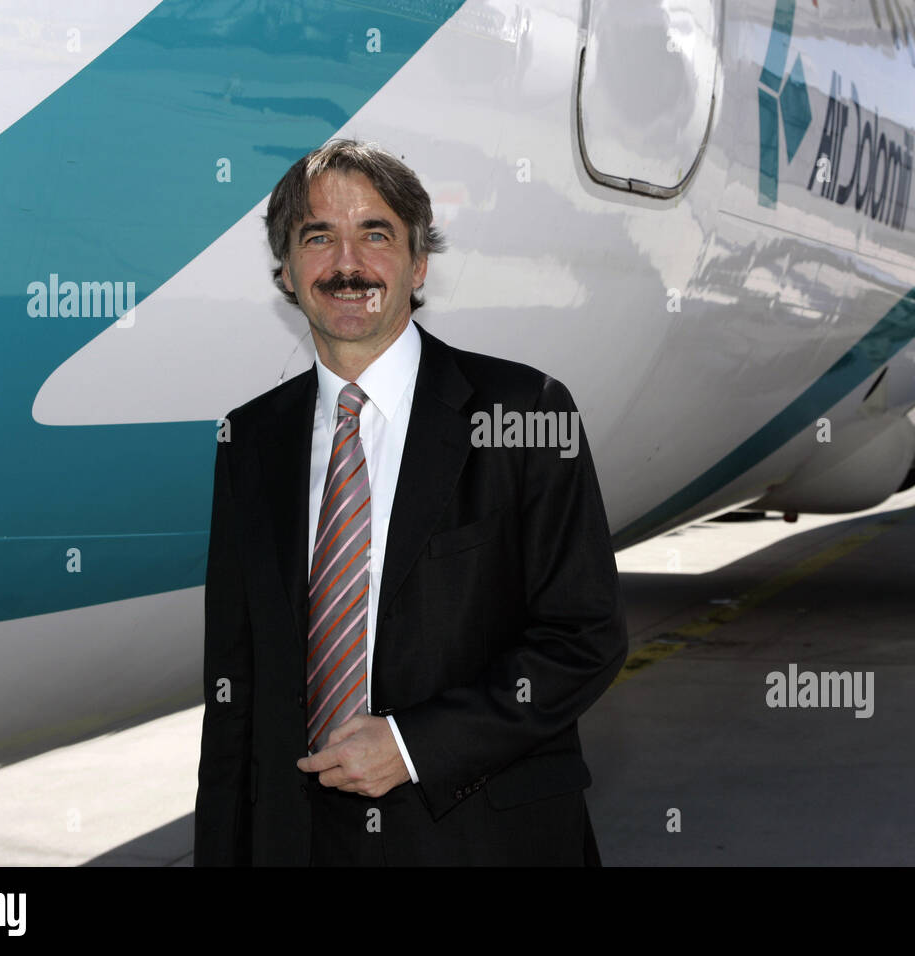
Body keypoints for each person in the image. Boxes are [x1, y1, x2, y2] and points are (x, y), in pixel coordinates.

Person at [193, 138, 627, 866]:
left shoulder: (525, 411)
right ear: (289, 272)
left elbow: (584, 637)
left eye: (376, 234)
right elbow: (233, 688)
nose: (347, 263)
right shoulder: (251, 439)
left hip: (477, 834)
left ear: (418, 263)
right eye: (318, 237)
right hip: (297, 841)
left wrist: (412, 744)